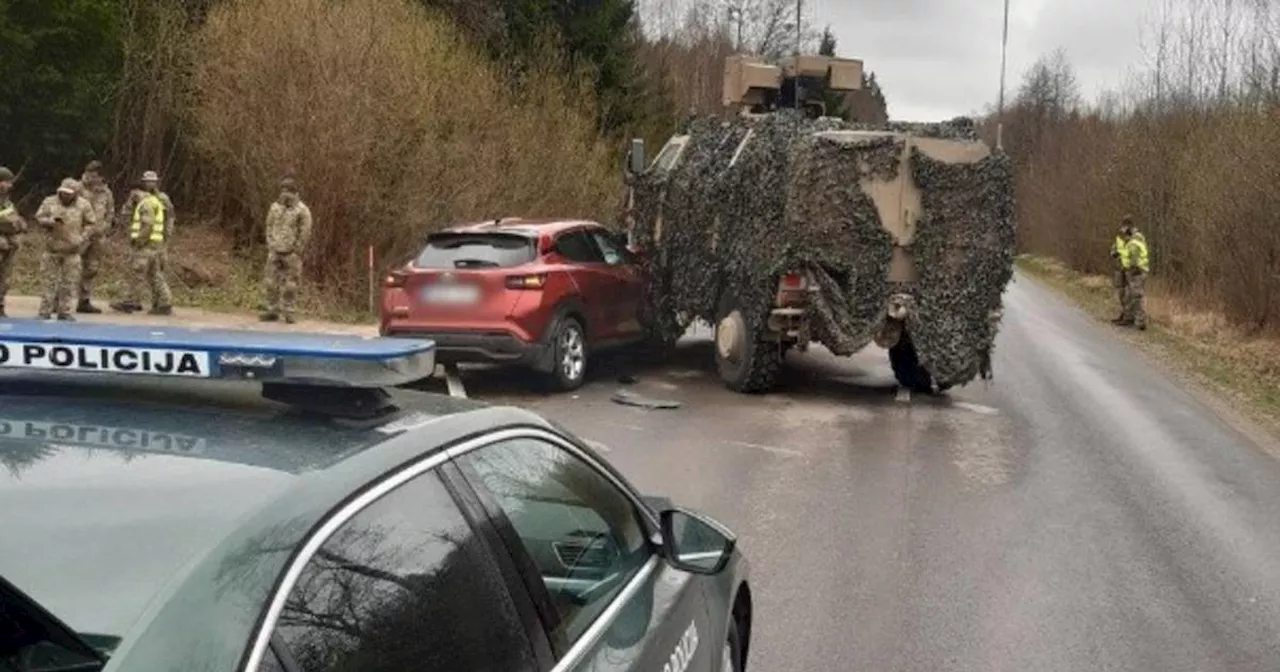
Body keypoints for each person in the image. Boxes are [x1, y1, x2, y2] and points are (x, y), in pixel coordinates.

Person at [111, 170, 173, 315]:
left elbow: (152, 223)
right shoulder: (149, 201)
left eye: (152, 181)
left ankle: (131, 301)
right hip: (153, 242)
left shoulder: (151, 201)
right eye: (147, 181)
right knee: (153, 274)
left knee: (137, 272)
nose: (149, 183)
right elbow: (126, 215)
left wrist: (139, 240)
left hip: (149, 243)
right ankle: (163, 302)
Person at [34, 178, 97, 321]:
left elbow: (91, 223)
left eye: (69, 193)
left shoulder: (84, 205)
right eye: (63, 192)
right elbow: (39, 217)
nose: (65, 196)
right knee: (48, 282)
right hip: (52, 249)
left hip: (72, 251)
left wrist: (82, 237)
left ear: (75, 193)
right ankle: (45, 311)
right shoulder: (49, 201)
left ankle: (65, 312)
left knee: (69, 283)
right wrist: (50, 221)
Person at [260, 177, 313, 324]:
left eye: (287, 191)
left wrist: (297, 250)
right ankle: (271, 310)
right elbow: (269, 226)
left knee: (291, 284)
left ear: (295, 192)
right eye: (282, 191)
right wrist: (270, 243)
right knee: (270, 282)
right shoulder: (275, 207)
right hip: (275, 250)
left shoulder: (302, 210)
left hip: (291, 253)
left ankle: (288, 311)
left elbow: (305, 232)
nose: (284, 194)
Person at [77, 160, 115, 313]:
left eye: (96, 176)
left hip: (98, 236)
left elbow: (110, 212)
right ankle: (57, 299)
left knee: (91, 268)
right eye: (89, 174)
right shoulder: (77, 188)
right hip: (79, 234)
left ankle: (84, 300)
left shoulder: (106, 192)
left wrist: (105, 227)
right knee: (71, 266)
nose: (92, 178)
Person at [0, 167, 28, 317]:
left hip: (9, 246)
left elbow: (16, 219)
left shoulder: (7, 202)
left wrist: (20, 224)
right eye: (6, 182)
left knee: (5, 279)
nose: (10, 186)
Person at [1118, 222, 1150, 330]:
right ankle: (1129, 317)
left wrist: (1133, 269)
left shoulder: (1133, 243)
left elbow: (1134, 258)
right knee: (1131, 295)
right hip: (1140, 271)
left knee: (1136, 296)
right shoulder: (1139, 239)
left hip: (1136, 272)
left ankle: (1141, 321)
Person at [1109, 219, 1130, 324]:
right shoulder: (1119, 238)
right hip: (1119, 268)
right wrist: (1114, 253)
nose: (1122, 228)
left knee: (1130, 294)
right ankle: (1123, 314)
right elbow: (1113, 250)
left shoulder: (1133, 238)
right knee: (1121, 293)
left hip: (1130, 269)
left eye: (1124, 226)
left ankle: (1129, 316)